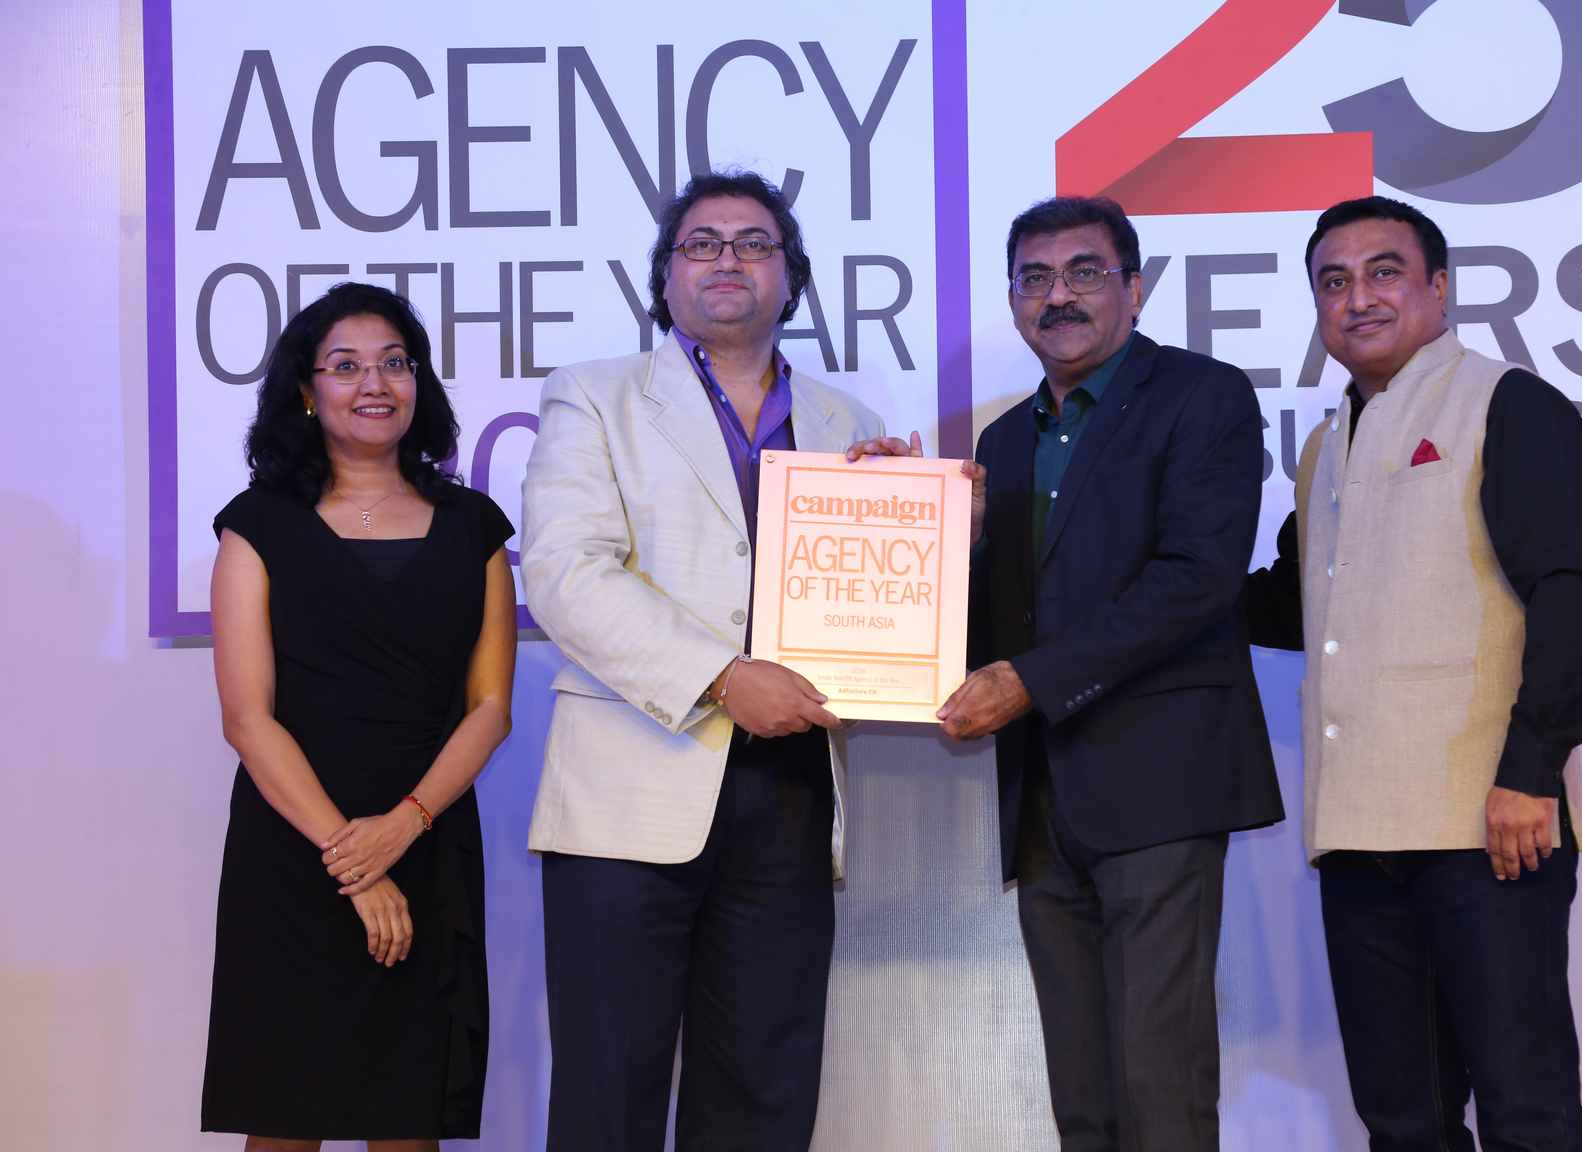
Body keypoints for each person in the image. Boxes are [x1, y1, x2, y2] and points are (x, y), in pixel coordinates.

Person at [521, 170, 887, 1152]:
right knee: (609, 1094)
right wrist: (724, 678)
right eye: (703, 243)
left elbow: (877, 598)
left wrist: (941, 532)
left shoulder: (848, 424)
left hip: (790, 790)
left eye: (755, 243)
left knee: (765, 1090)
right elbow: (564, 573)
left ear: (791, 278)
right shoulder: (593, 395)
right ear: (666, 276)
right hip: (630, 788)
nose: (729, 259)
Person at [1245, 195, 1582, 1151]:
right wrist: (1123, 583)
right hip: (1358, 837)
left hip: (1488, 826)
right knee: (1402, 1119)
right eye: (1334, 282)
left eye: (1384, 273)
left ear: (1439, 288)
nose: (1357, 299)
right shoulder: (1328, 443)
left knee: (1526, 1109)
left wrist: (1530, 773)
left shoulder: (1508, 403)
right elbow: (1289, 603)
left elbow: (1574, 594)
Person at [946, 195, 1283, 1151]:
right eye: (1035, 278)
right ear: (1013, 298)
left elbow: (1197, 579)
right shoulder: (1003, 443)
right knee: (1082, 1092)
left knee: (1157, 1081)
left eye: (1084, 272)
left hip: (1159, 784)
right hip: (1043, 799)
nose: (1058, 296)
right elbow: (1000, 618)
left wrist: (1030, 682)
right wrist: (924, 533)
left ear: (1134, 289)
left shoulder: (1203, 397)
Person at [201, 283, 517, 1150]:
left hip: (428, 841)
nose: (374, 383)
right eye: (346, 366)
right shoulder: (257, 526)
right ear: (307, 391)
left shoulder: (474, 527)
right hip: (294, 845)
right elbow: (248, 718)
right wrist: (354, 859)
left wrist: (404, 827)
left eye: (394, 363)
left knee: (408, 1118)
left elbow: (490, 708)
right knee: (283, 1118)